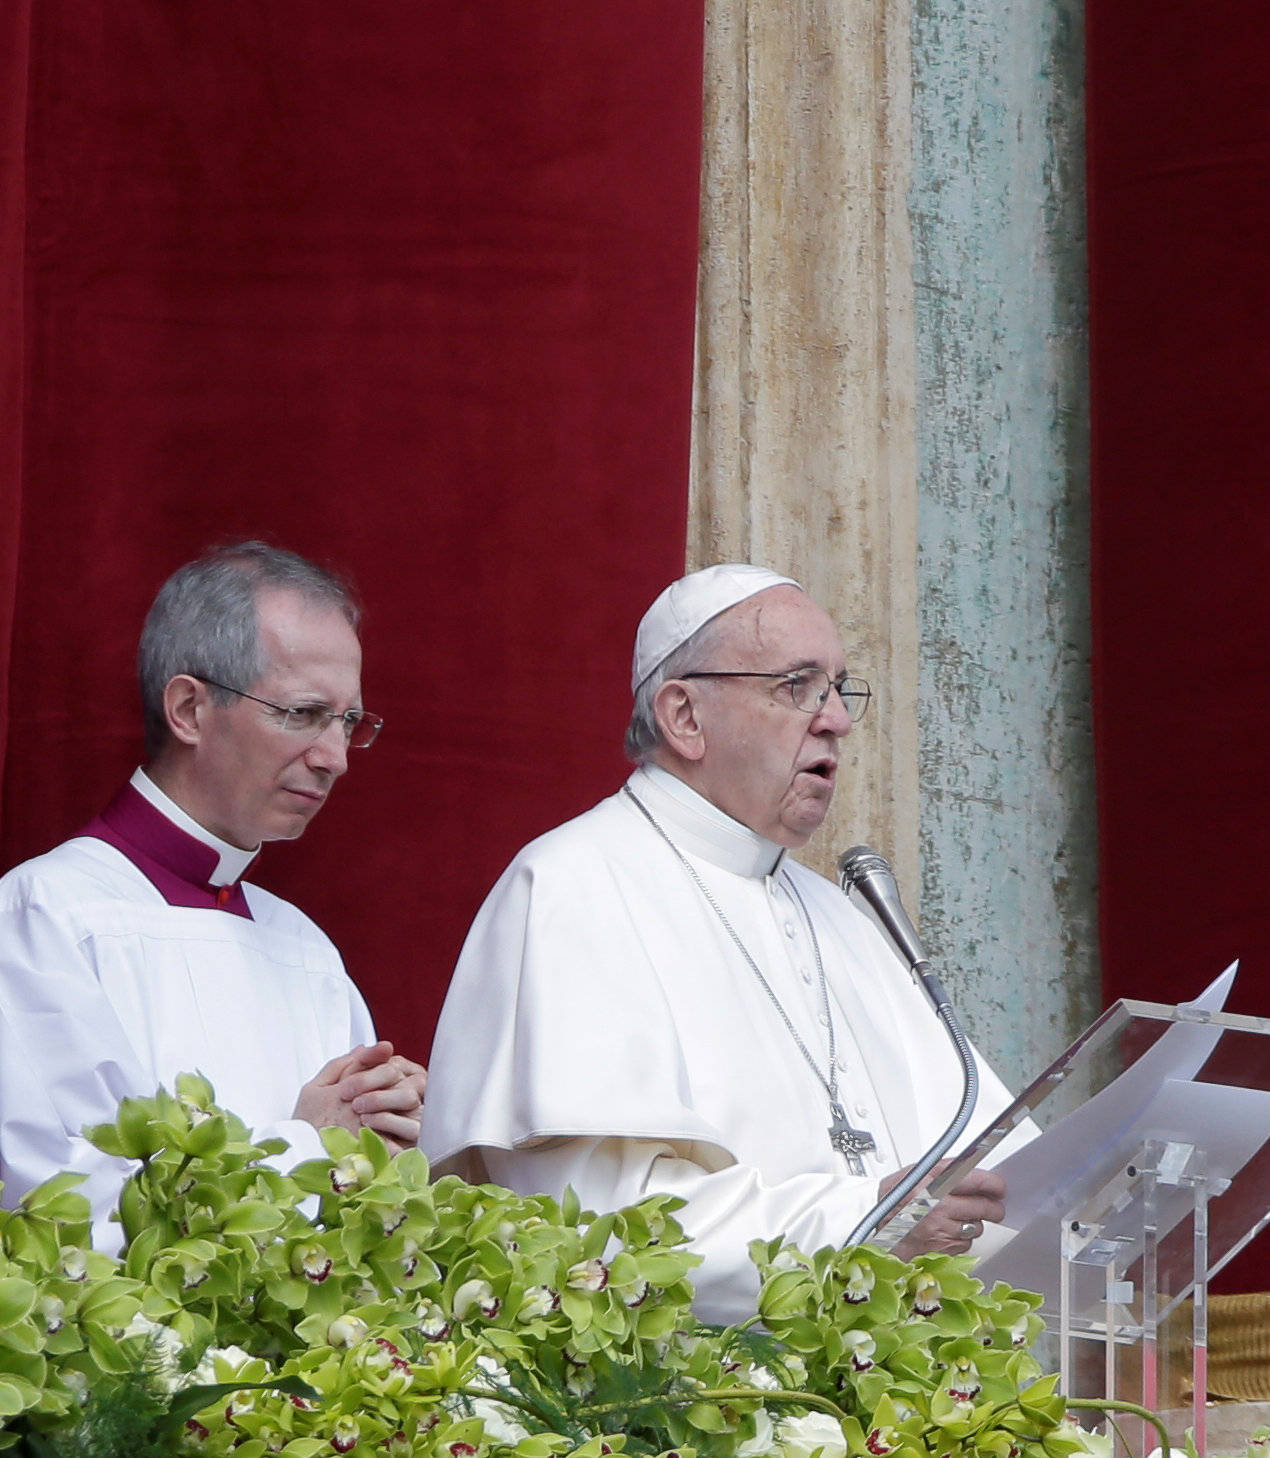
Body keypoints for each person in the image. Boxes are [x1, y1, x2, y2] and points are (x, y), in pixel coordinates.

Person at [425, 566, 1016, 1323]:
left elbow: (999, 1180)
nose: (835, 718)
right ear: (684, 716)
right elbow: (597, 1231)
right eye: (799, 686)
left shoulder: (834, 913)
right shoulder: (574, 886)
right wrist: (867, 1221)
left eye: (839, 688)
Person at [0, 543, 422, 1223]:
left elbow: (360, 1181)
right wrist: (310, 1147)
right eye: (303, 713)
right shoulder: (48, 915)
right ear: (190, 710)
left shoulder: (304, 949)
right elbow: (60, 1204)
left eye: (348, 722)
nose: (335, 758)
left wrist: (388, 1137)